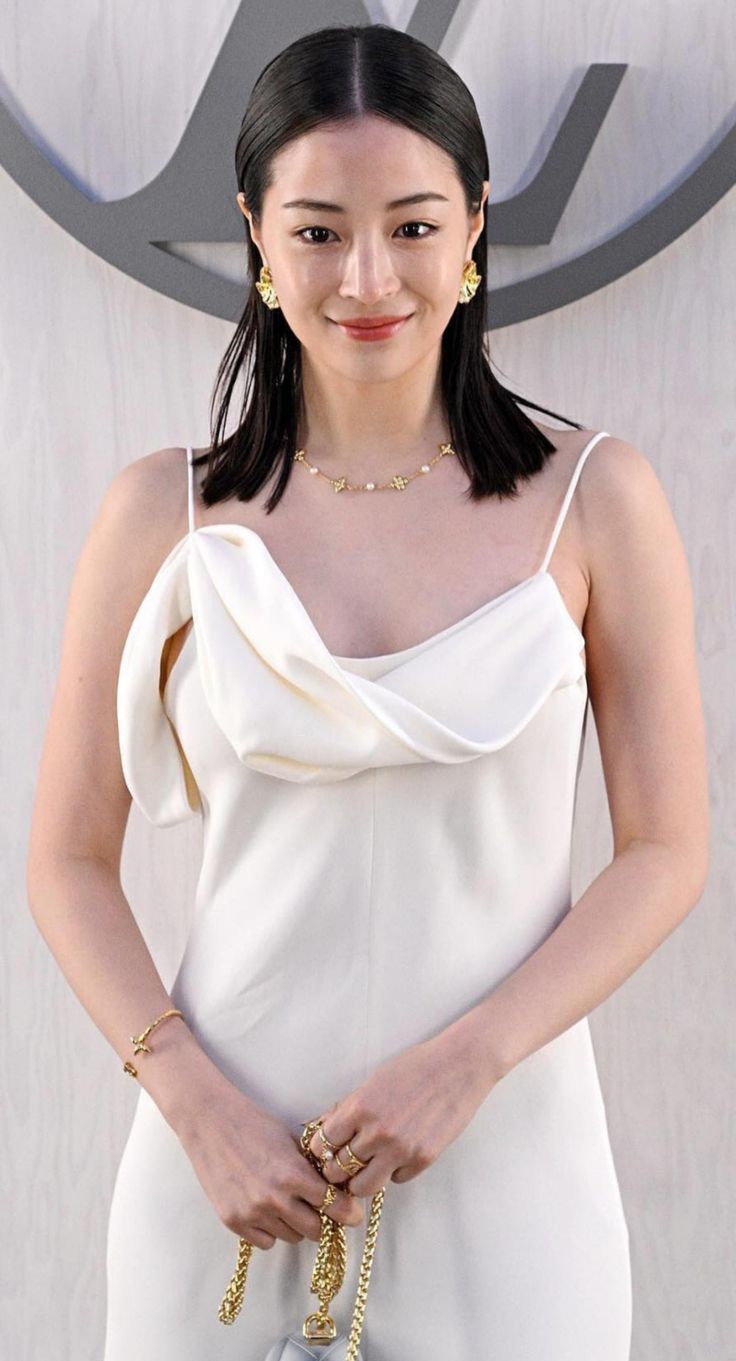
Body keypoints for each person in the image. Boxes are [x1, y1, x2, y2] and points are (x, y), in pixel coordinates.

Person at [26, 22, 709, 1361]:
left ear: (474, 225)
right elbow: (64, 859)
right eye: (320, 232)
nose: (369, 278)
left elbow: (668, 850)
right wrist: (196, 1108)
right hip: (223, 1170)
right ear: (255, 234)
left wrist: (470, 1061)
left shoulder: (597, 498)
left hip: (509, 1162)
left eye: (411, 226)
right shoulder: (160, 511)